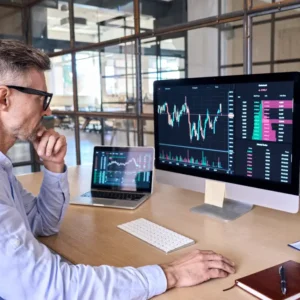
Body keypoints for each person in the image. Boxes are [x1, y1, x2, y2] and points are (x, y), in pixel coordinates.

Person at [0, 39, 235, 300]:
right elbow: (51, 287)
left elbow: (41, 224)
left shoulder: (3, 172)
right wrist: (170, 274)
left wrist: (54, 169)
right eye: (42, 99)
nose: (48, 109)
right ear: (4, 98)